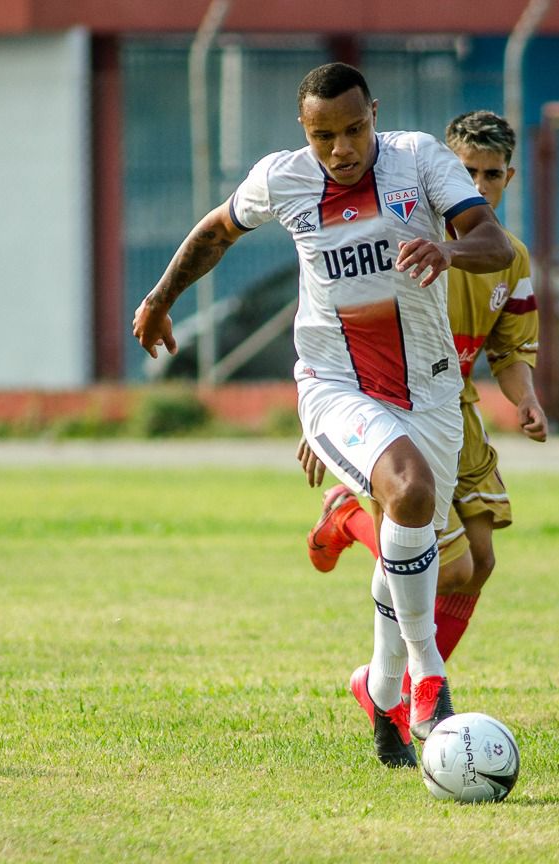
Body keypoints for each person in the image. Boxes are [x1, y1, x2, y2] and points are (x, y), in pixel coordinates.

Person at [133, 64, 513, 769]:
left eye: (353, 129)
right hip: (335, 385)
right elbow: (217, 231)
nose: (340, 149)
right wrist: (160, 297)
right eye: (323, 136)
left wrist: (447, 248)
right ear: (303, 132)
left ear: (374, 113)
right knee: (410, 491)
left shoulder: (421, 160)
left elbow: (494, 243)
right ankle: (430, 678)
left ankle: (383, 691)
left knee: (411, 544)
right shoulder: (283, 178)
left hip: (429, 390)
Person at [298, 110, 548, 748]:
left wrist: (525, 399)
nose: (480, 184)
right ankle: (352, 529)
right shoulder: (402, 235)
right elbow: (336, 326)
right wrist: (327, 418)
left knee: (479, 561)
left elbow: (511, 351)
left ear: (508, 178)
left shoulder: (508, 258)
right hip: (394, 406)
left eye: (493, 175)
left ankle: (407, 689)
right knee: (444, 560)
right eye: (467, 171)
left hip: (456, 408)